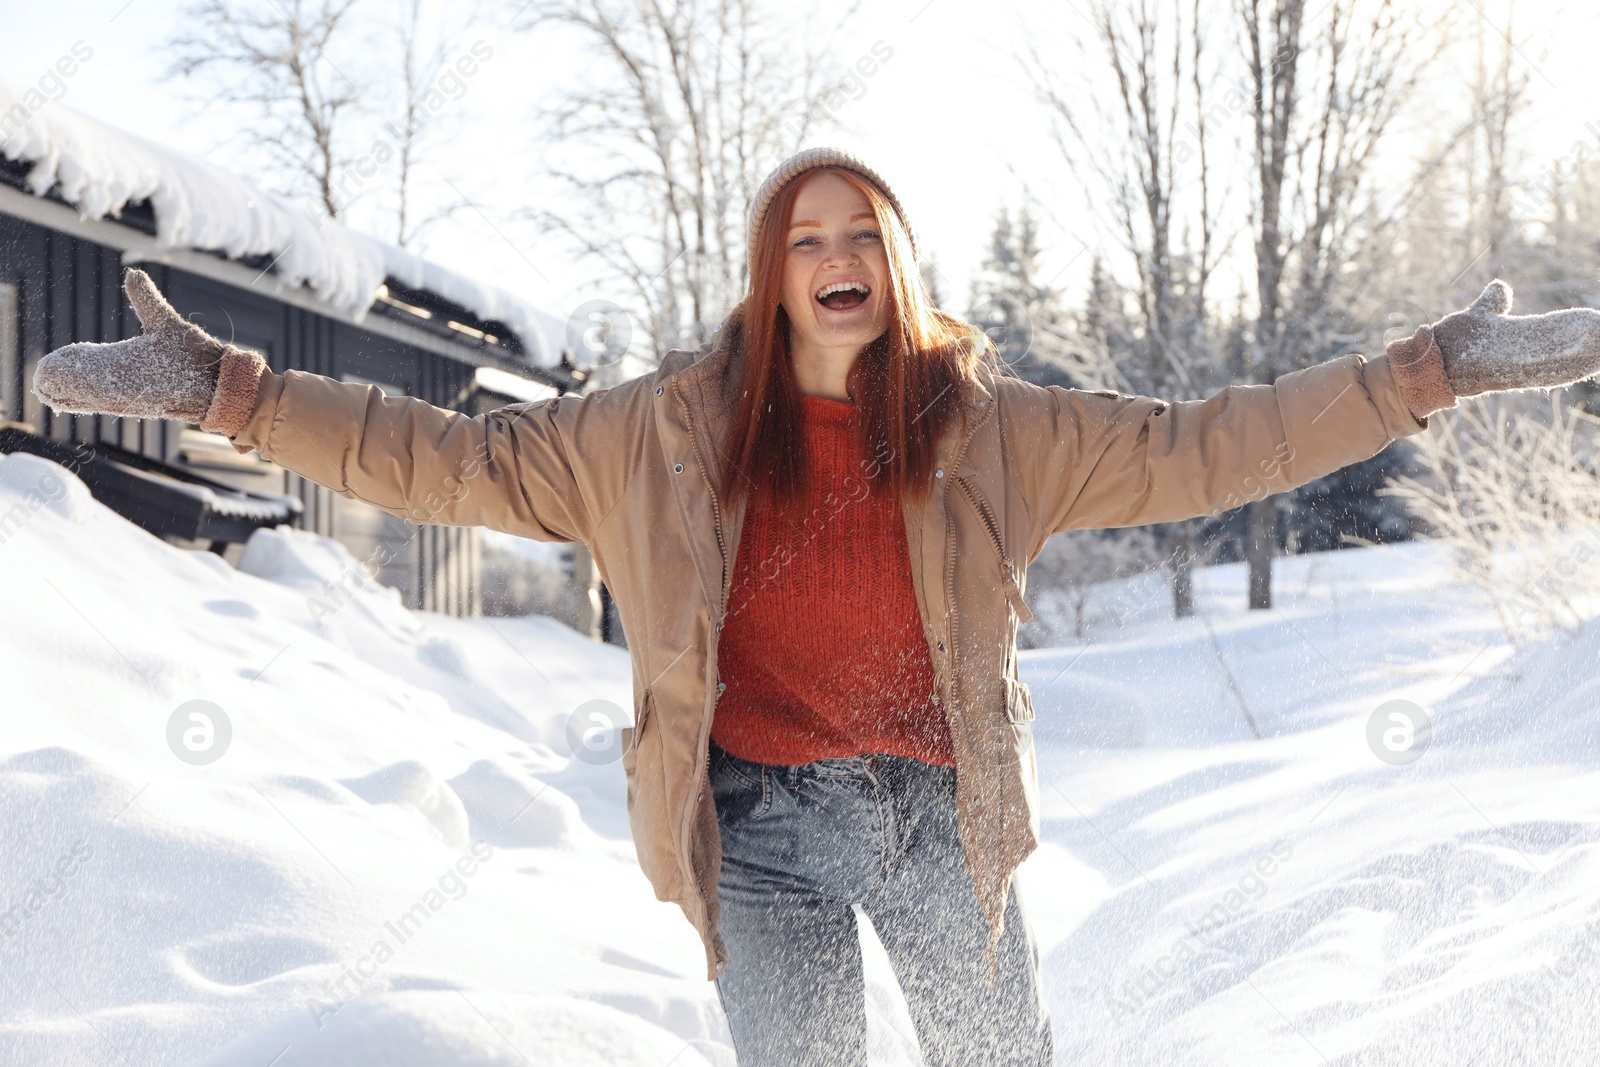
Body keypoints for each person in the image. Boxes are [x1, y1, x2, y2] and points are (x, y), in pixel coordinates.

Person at [31, 147, 1600, 1066]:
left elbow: (1214, 446)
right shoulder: (657, 431)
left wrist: (1427, 373)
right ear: (772, 271)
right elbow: (442, 459)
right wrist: (237, 388)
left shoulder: (996, 428)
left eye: (864, 234)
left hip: (934, 811)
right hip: (758, 824)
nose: (838, 256)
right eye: (808, 238)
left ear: (897, 264)